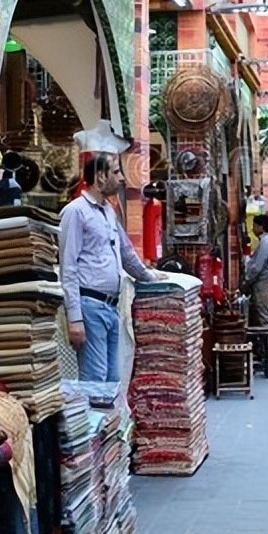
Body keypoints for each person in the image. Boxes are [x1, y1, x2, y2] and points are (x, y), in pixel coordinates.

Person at [59, 153, 165, 382]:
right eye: (116, 172)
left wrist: (150, 276)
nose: (121, 179)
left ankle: (106, 418)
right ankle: (94, 418)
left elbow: (126, 253)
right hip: (90, 305)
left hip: (111, 307)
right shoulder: (75, 212)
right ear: (100, 176)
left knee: (113, 378)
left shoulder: (109, 210)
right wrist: (74, 318)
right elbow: (68, 267)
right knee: (96, 380)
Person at [243, 214, 268, 364]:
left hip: (261, 283)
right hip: (261, 282)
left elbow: (257, 266)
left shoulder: (266, 243)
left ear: (261, 227)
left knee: (264, 317)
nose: (253, 229)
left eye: (255, 226)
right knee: (260, 317)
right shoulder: (266, 241)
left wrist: (247, 280)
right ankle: (263, 350)